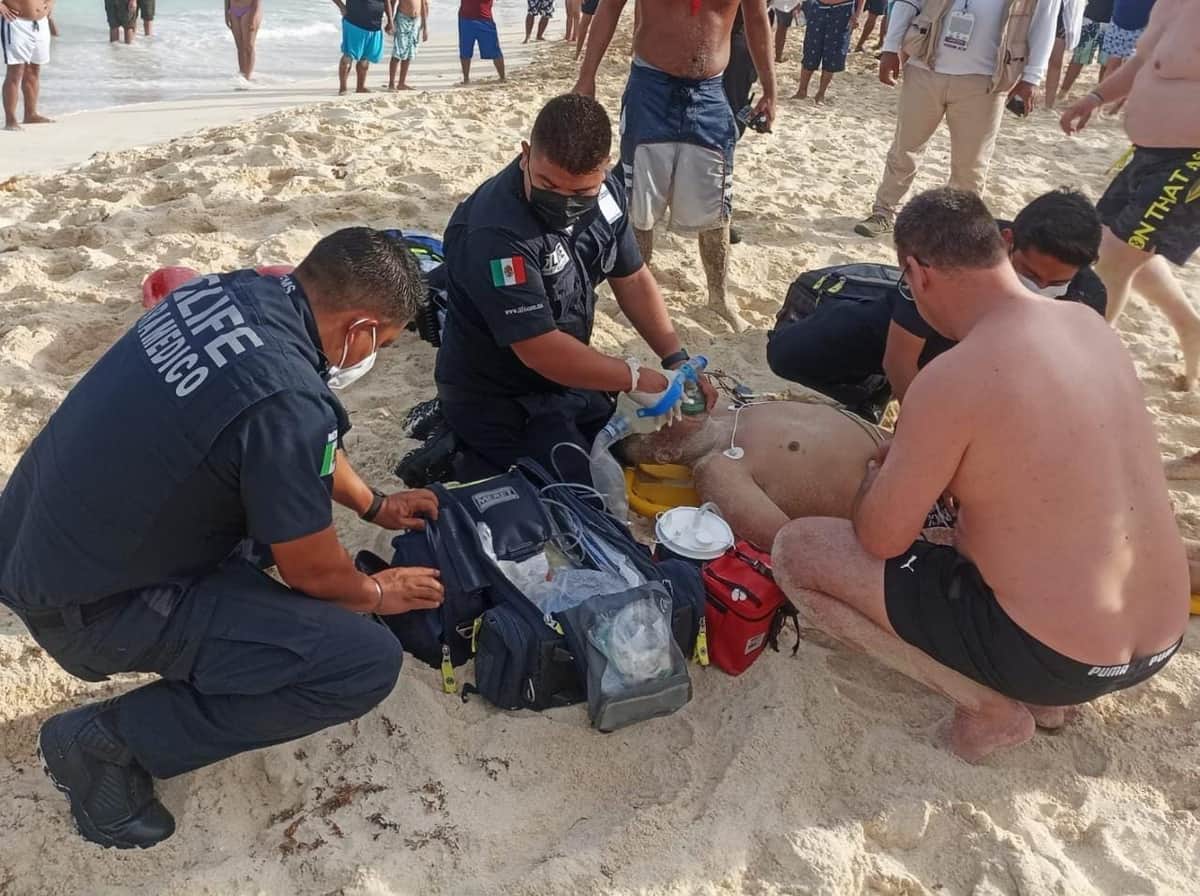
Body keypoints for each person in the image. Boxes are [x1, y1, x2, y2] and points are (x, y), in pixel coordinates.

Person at [0, 229, 445, 848]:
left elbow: (300, 440)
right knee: (361, 660)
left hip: (29, 537)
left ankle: (220, 646)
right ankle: (102, 743)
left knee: (270, 516)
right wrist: (374, 591)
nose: (376, 355)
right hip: (86, 608)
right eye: (384, 343)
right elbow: (313, 572)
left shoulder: (229, 293)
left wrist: (373, 503)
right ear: (360, 328)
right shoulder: (290, 403)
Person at [773, 187, 1189, 762]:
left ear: (917, 273)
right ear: (1001, 249)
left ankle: (987, 708)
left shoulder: (952, 374)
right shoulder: (1090, 326)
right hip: (1160, 643)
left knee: (800, 552)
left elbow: (880, 537)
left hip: (1058, 659)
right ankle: (1046, 700)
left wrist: (882, 476)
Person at [433, 94, 717, 485]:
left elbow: (632, 277)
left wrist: (673, 358)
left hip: (570, 376)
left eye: (580, 193)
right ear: (526, 154)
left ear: (603, 169)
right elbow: (539, 349)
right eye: (549, 185)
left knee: (658, 447)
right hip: (501, 395)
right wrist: (636, 377)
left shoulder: (607, 194)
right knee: (577, 486)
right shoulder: (495, 235)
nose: (564, 202)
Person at [768, 189, 1108, 418]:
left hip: (987, 358)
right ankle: (869, 388)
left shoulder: (1086, 300)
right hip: (905, 330)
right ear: (1006, 242)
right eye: (1029, 274)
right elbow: (901, 359)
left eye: (1056, 283)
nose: (1040, 288)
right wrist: (919, 428)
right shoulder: (957, 255)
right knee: (786, 354)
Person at [573, 0, 777, 333]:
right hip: (651, 85)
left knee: (715, 200)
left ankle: (718, 296)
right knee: (639, 198)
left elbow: (756, 19)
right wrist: (587, 77)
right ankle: (637, 289)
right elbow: (609, 8)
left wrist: (770, 89)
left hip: (711, 89)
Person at [1060, 0, 1200, 390]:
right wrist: (1095, 97)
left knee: (1114, 258)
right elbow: (1142, 64)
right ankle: (1191, 327)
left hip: (1191, 164)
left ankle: (1086, 371)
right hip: (1147, 154)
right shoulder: (1170, 4)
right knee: (1118, 245)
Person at [854, 0, 1060, 239]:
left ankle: (955, 227)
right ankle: (884, 212)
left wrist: (1032, 78)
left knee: (971, 163)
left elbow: (1044, 24)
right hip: (924, 66)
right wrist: (890, 48)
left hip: (987, 80)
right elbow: (908, 2)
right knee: (905, 147)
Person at [622, 399, 885, 549]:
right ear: (665, 454)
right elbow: (786, 541)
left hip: (904, 452)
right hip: (899, 507)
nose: (673, 400)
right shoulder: (718, 470)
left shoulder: (725, 411)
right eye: (661, 412)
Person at [795, 0, 865, 104]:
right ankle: (802, 90)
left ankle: (821, 93)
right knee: (811, 49)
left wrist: (857, 14)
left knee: (833, 52)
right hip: (818, 6)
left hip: (843, 8)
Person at [1, 0, 53, 131]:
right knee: (15, 71)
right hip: (15, 22)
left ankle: (31, 114)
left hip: (40, 22)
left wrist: (50, 4)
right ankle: (10, 120)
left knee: (34, 69)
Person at [334, 0, 391, 94]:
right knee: (348, 55)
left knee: (366, 57)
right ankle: (343, 88)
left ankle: (360, 87)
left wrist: (390, 21)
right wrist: (341, 6)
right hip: (354, 22)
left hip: (375, 24)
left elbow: (387, 1)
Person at [1060, 0, 1113, 98]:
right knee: (1079, 58)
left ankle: (1099, 97)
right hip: (1091, 18)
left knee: (1106, 64)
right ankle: (1063, 92)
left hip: (1113, 23)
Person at [1098, 0, 1153, 91]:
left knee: (1132, 70)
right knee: (1112, 65)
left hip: (1141, 28)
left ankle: (1120, 103)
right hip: (1118, 23)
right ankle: (1104, 100)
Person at [459, 0, 505, 84]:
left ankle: (502, 77)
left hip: (485, 18)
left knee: (494, 50)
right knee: (465, 49)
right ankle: (466, 79)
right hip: (466, 18)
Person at [388, 0, 427, 90]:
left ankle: (401, 83)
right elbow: (392, 3)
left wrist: (425, 27)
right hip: (402, 18)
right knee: (398, 51)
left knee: (410, 51)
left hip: (416, 20)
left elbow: (424, 5)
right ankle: (391, 83)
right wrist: (391, 22)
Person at [226, 0, 263, 85]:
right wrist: (226, 13)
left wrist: (253, 16)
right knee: (240, 47)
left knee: (248, 46)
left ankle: (247, 77)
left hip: (249, 9)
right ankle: (242, 76)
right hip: (233, 10)